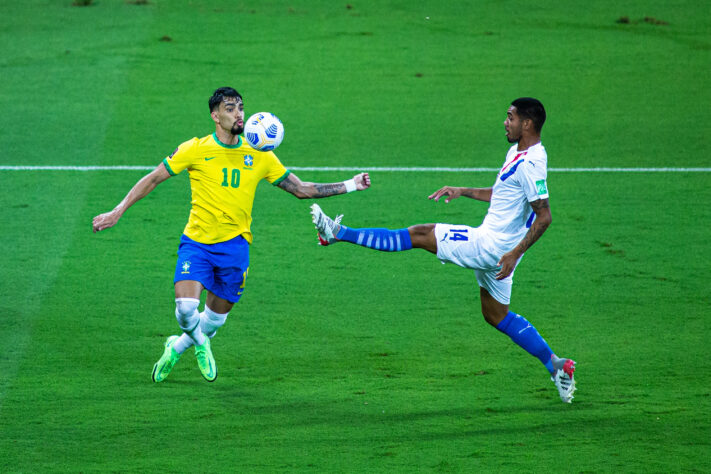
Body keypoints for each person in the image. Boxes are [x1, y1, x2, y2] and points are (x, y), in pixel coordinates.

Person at [92, 87, 371, 383]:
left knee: (213, 320)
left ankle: (177, 346)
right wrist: (117, 211)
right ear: (215, 116)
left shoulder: (261, 154)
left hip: (235, 248)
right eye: (230, 108)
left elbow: (301, 189)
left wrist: (350, 184)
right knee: (186, 310)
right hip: (197, 243)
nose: (239, 114)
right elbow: (153, 178)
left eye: (240, 107)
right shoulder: (195, 148)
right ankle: (200, 344)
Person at [310, 98, 577, 403]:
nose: (505, 122)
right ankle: (555, 365)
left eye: (511, 118)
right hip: (500, 250)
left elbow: (545, 216)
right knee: (496, 315)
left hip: (493, 247)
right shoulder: (519, 152)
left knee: (420, 234)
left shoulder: (531, 164)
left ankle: (337, 233)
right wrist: (464, 191)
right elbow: (505, 195)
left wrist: (515, 253)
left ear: (527, 124)